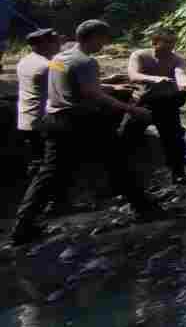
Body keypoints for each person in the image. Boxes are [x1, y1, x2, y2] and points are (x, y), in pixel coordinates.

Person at [10, 20, 167, 247]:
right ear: (94, 37)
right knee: (118, 162)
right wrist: (133, 109)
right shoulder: (86, 61)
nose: (105, 44)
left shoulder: (58, 59)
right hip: (82, 121)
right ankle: (144, 208)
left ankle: (22, 226)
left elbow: (72, 84)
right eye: (104, 39)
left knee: (48, 175)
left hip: (55, 120)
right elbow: (93, 94)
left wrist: (108, 87)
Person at [123, 28, 186, 184]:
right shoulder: (140, 55)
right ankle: (126, 176)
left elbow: (180, 73)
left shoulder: (177, 59)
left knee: (174, 139)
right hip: (143, 103)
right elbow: (133, 75)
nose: (171, 46)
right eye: (167, 42)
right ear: (154, 42)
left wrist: (185, 83)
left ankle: (178, 174)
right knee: (127, 136)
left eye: (173, 42)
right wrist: (155, 79)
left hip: (168, 103)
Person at [15, 29, 60, 182]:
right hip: (42, 121)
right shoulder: (49, 65)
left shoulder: (23, 61)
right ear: (44, 44)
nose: (58, 45)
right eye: (55, 42)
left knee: (36, 162)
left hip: (26, 119)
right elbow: (72, 84)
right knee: (49, 166)